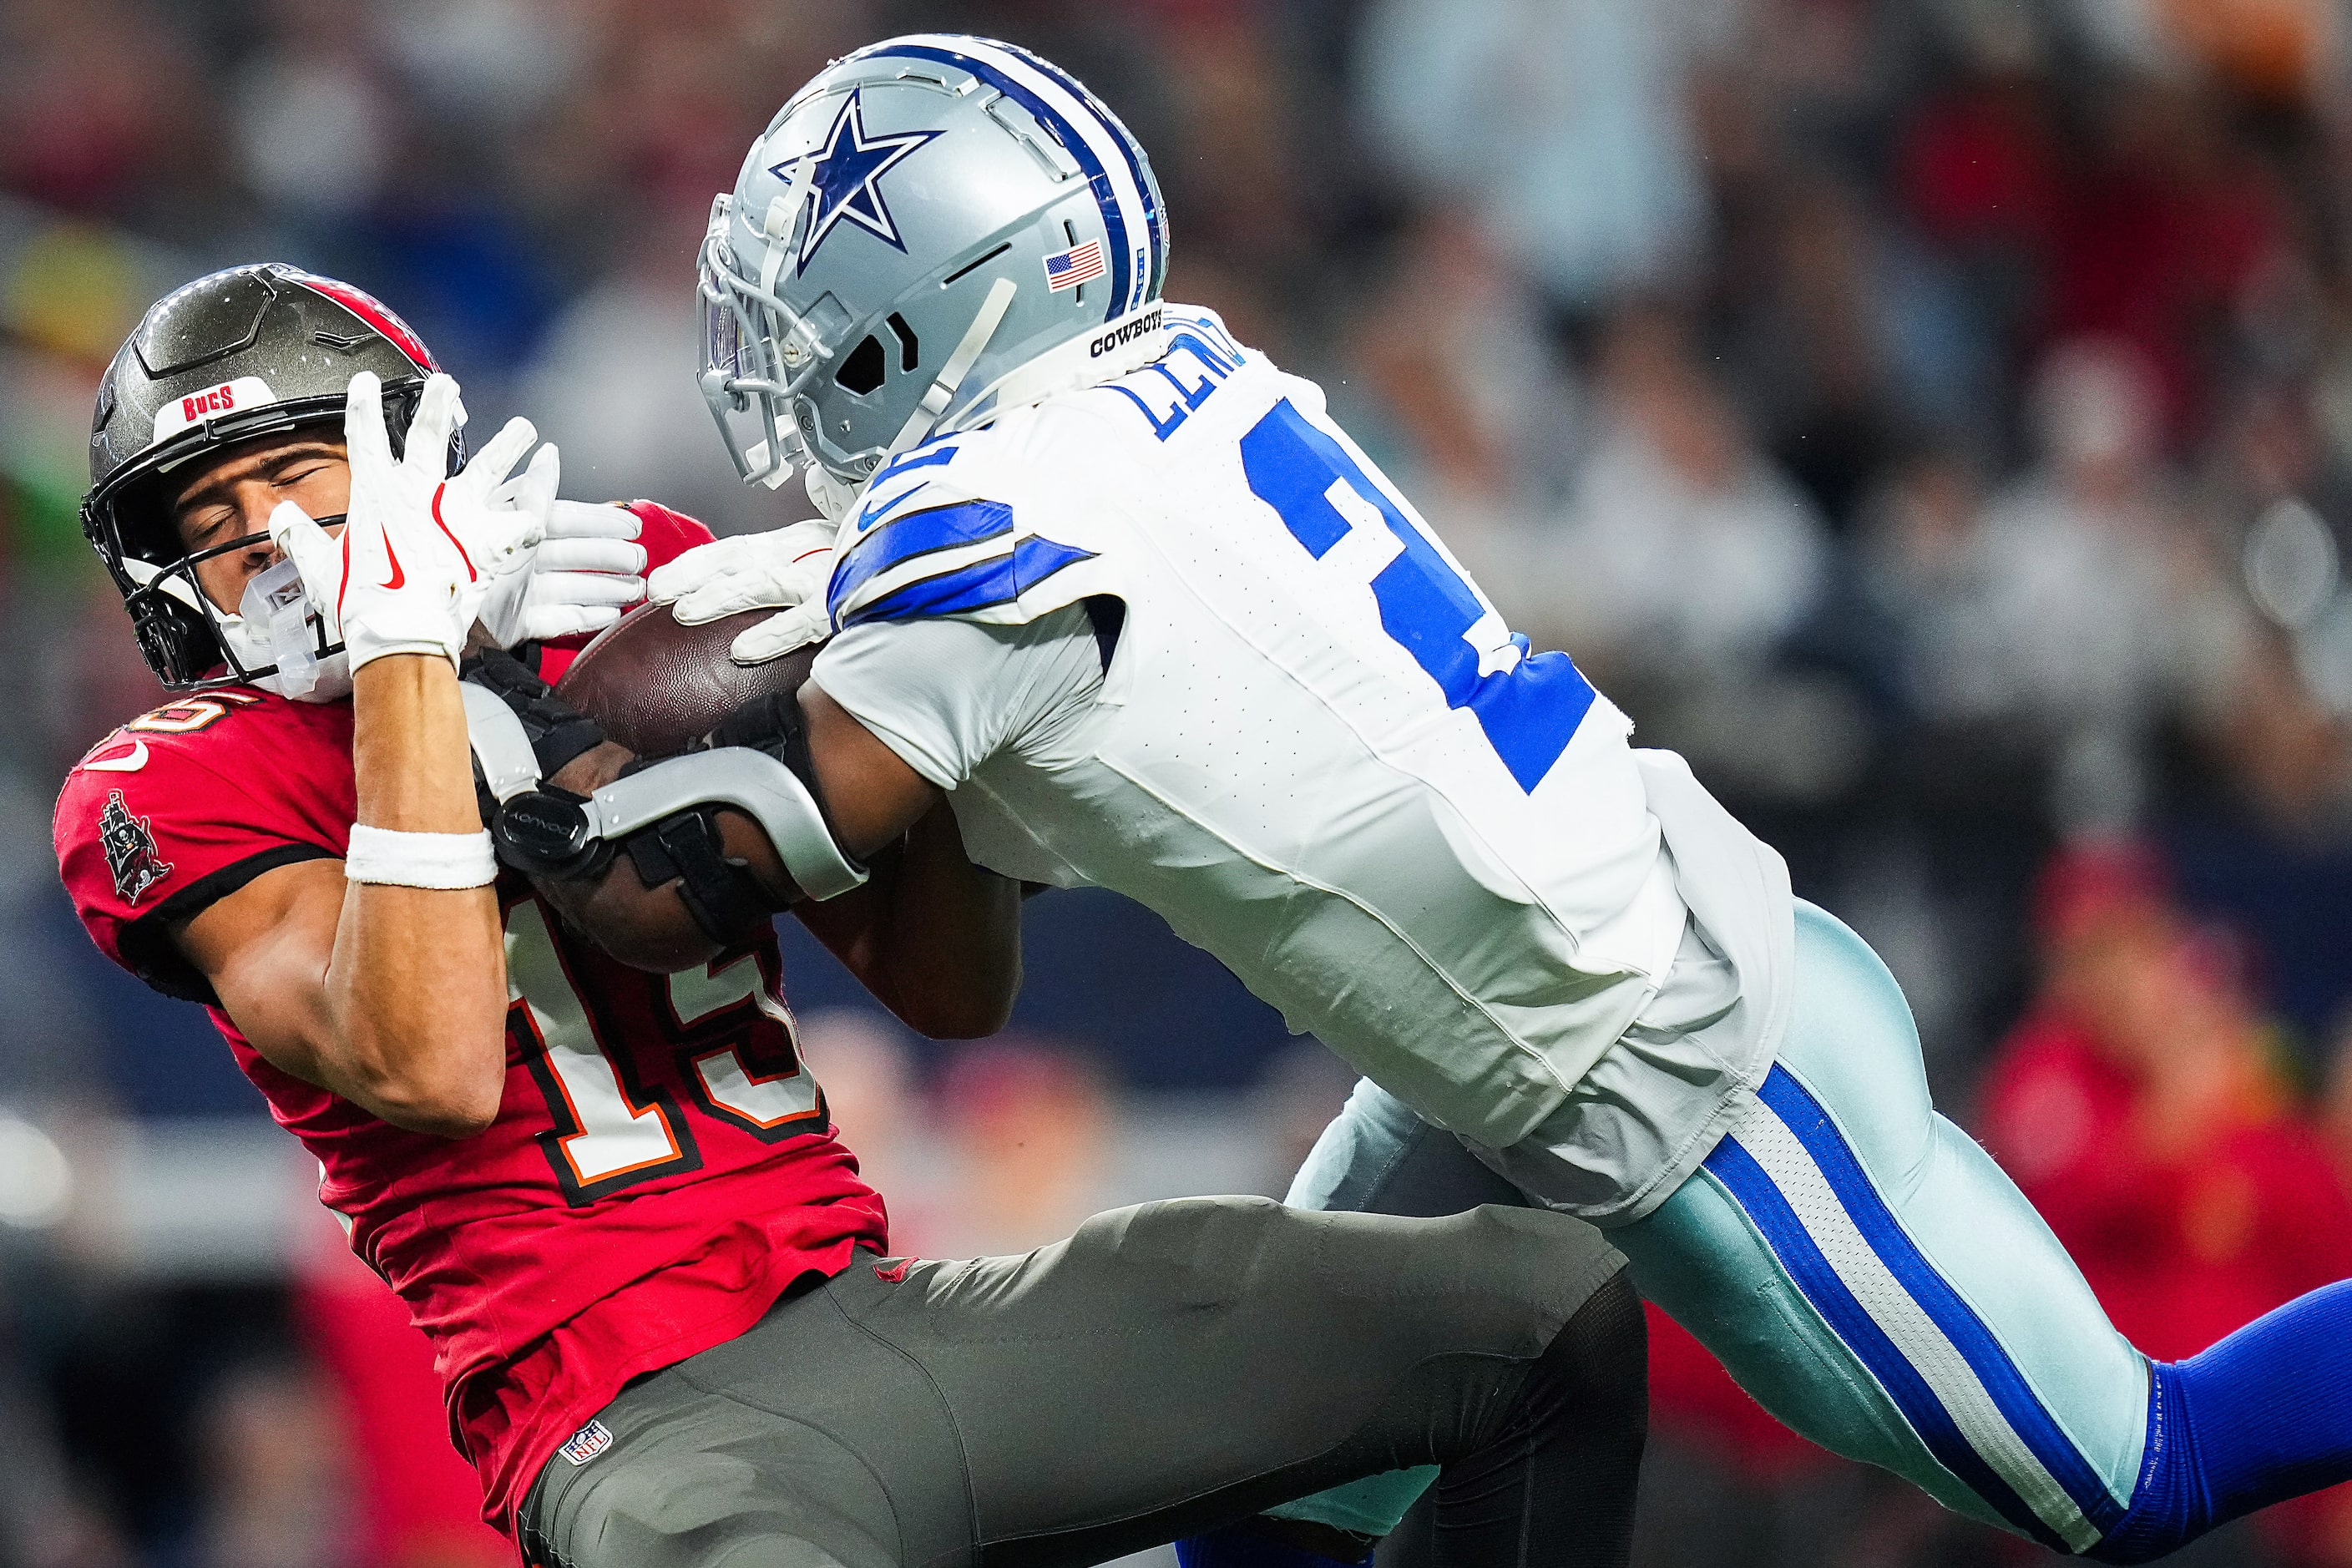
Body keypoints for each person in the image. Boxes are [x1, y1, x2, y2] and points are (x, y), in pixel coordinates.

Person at [575, 33, 2352, 1567]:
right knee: (1261, 1482)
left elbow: (714, 902)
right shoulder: (1161, 376)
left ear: (914, 296)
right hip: (1513, 1043)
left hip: (1667, 1070)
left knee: (2131, 1473)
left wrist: (483, 715)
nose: (770, 347)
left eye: (797, 299)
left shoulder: (978, 554)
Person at [55, 263, 1650, 1568]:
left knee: (1538, 1315)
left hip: (877, 1316)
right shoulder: (168, 783)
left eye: (295, 470)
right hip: (646, 1441)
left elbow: (951, 985)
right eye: (207, 512)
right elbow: (427, 1059)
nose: (262, 535)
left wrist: (897, 666)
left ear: (415, 453)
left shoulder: (630, 605)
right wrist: (426, 667)